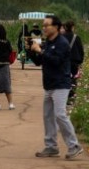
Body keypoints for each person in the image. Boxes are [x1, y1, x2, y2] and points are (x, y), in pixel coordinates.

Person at [27, 15, 83, 159]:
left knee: (60, 114)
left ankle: (74, 145)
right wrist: (31, 50)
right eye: (43, 25)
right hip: (49, 84)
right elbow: (40, 61)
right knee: (48, 116)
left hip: (61, 84)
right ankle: (51, 146)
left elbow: (56, 61)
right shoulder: (48, 43)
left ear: (56, 27)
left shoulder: (62, 43)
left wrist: (41, 51)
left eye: (47, 25)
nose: (44, 28)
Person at [62, 20, 85, 104]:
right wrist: (80, 61)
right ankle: (71, 97)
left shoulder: (61, 37)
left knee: (64, 79)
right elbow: (81, 51)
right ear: (72, 27)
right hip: (74, 62)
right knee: (73, 79)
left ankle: (64, 97)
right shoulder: (76, 37)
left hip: (64, 62)